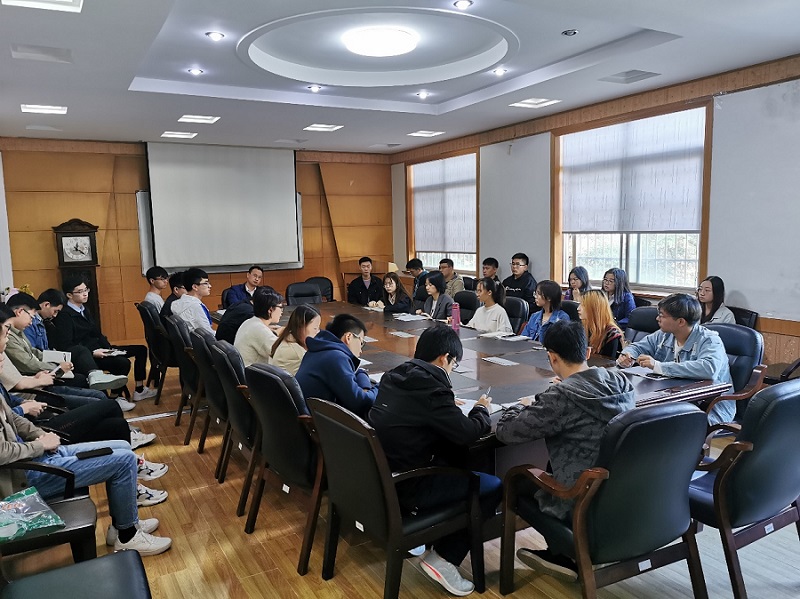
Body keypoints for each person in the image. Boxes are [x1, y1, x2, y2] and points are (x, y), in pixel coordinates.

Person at [0, 318, 172, 556]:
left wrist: (42, 435)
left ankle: (122, 525)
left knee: (122, 447)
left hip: (36, 455)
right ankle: (128, 536)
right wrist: (39, 445)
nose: (5, 352)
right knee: (123, 461)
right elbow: (2, 453)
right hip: (25, 474)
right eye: (2, 343)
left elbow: (14, 418)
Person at [496, 320, 635, 581]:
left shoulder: (561, 397)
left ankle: (567, 550)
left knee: (516, 481)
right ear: (588, 352)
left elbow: (506, 432)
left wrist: (523, 405)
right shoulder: (620, 382)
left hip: (580, 500)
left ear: (551, 357)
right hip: (622, 494)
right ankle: (562, 554)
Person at [370, 325, 501, 597]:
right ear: (445, 358)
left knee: (457, 459)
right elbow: (468, 433)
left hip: (383, 478)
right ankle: (445, 557)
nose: (452, 370)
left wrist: (446, 411)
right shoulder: (432, 390)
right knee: (492, 486)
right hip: (411, 485)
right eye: (454, 364)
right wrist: (480, 409)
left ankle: (437, 537)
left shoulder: (394, 377)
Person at [617, 293, 734, 424]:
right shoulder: (664, 335)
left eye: (662, 315)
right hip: (672, 400)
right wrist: (627, 355)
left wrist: (658, 366)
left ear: (680, 322)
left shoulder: (709, 340)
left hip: (708, 406)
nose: (657, 318)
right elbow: (638, 347)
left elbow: (708, 369)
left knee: (649, 423)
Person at [49, 275, 156, 403]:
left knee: (141, 349)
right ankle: (114, 398)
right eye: (80, 291)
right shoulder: (64, 316)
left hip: (101, 348)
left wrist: (109, 348)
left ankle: (139, 389)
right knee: (123, 363)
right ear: (69, 295)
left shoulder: (84, 309)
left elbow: (97, 333)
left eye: (86, 290)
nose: (85, 294)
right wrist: (93, 352)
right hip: (88, 356)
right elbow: (68, 344)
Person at [7, 291, 127, 393]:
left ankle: (97, 378)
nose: (31, 321)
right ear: (19, 312)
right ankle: (99, 387)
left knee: (82, 356)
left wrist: (59, 361)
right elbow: (29, 363)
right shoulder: (13, 334)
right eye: (31, 316)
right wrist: (58, 367)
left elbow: (35, 352)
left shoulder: (21, 330)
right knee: (81, 374)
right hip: (34, 378)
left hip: (42, 369)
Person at [295, 314, 377, 419]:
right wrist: (381, 387)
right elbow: (360, 402)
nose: (361, 350)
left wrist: (362, 375)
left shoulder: (318, 350)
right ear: (348, 337)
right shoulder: (336, 358)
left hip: (308, 417)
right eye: (361, 343)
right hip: (319, 423)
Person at [234, 290, 284, 367]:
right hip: (252, 373)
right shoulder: (259, 330)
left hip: (245, 369)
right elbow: (282, 353)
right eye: (281, 307)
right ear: (270, 310)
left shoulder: (249, 322)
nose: (282, 311)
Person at [270, 305, 321, 376]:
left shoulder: (287, 338)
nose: (318, 332)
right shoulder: (297, 353)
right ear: (301, 327)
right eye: (315, 328)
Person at [578, 290, 624, 358]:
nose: (578, 308)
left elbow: (607, 362)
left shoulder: (611, 334)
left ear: (595, 308)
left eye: (583, 305)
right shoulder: (583, 327)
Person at [170, 268, 213, 332]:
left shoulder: (178, 303)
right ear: (195, 287)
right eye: (206, 283)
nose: (210, 286)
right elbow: (208, 333)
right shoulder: (195, 307)